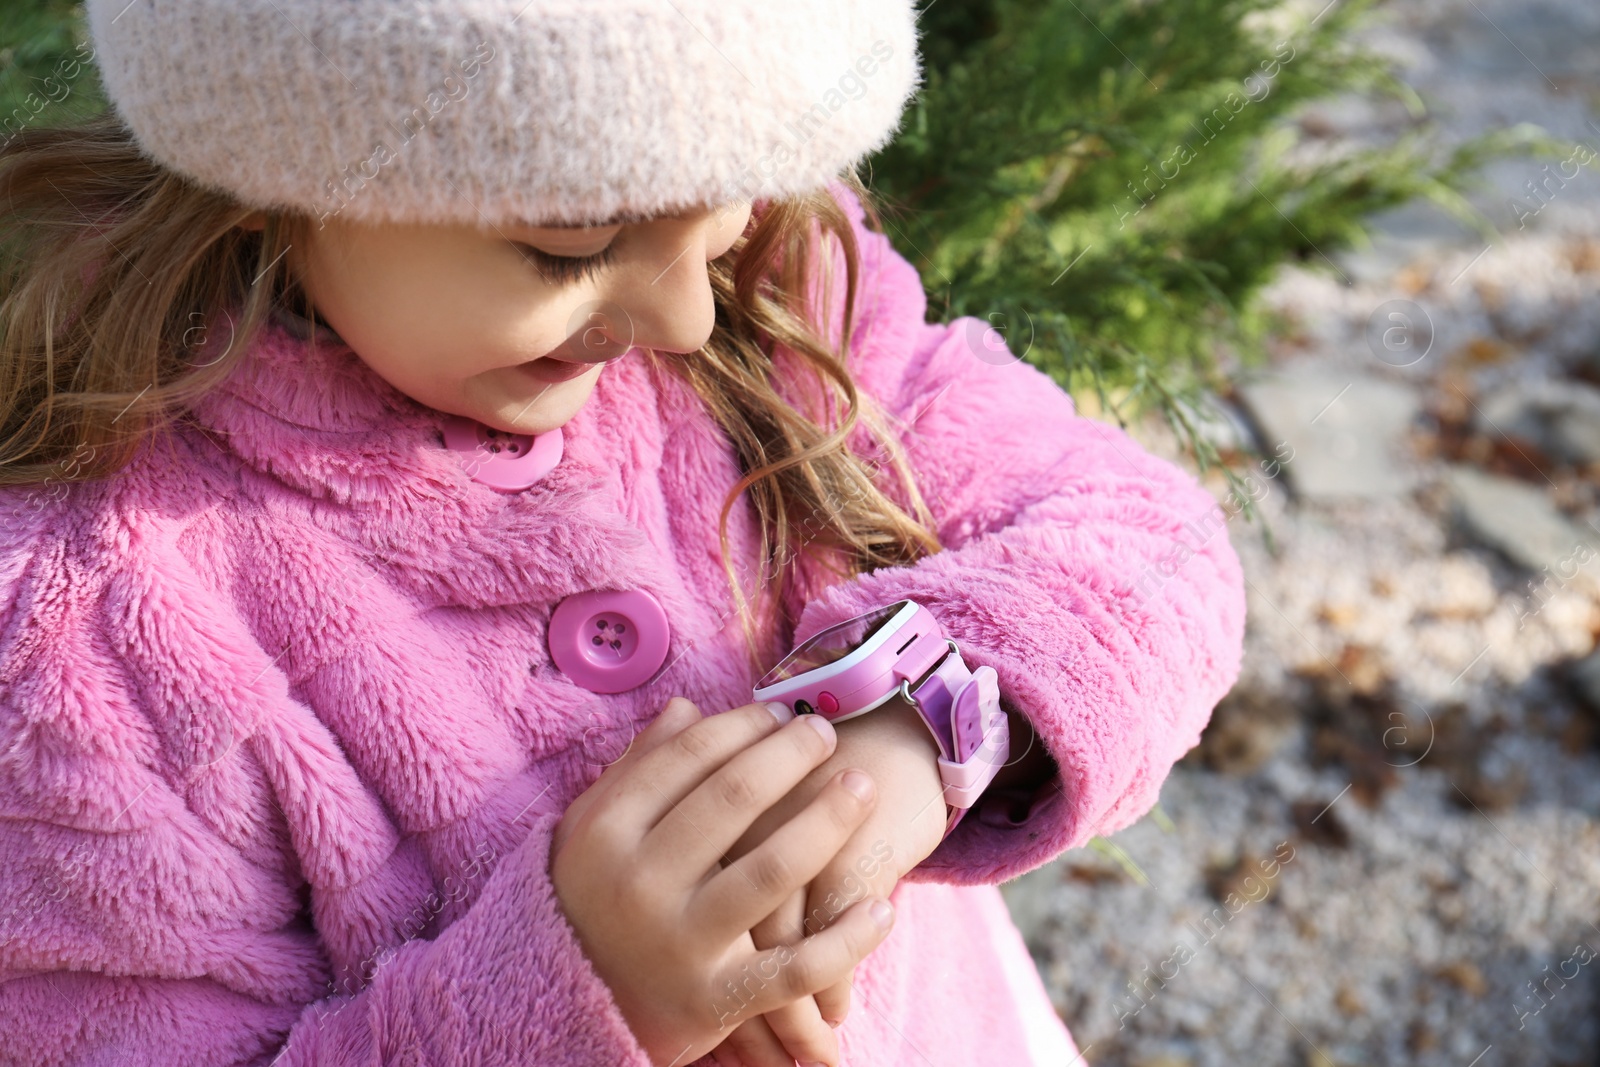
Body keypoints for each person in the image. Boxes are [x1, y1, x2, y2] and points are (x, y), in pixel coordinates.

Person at [0, 0, 1247, 1063]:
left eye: (724, 214)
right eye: (570, 247)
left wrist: (912, 733)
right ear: (261, 183)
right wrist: (568, 998)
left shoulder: (790, 304)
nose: (687, 315)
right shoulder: (92, 643)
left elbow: (1140, 542)